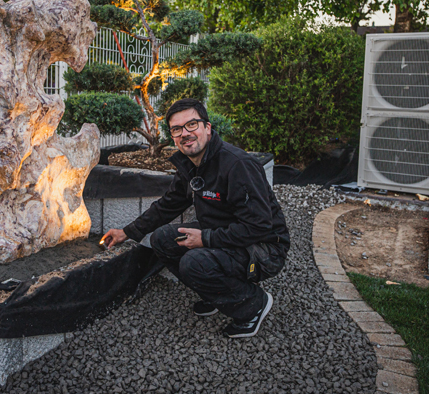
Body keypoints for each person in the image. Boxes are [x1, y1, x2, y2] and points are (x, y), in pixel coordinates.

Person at [102, 98, 290, 338]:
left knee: (194, 263)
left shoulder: (237, 165)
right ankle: (217, 294)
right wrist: (127, 232)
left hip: (265, 247)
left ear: (208, 128)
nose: (185, 133)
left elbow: (260, 226)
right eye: (177, 129)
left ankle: (253, 305)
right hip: (224, 233)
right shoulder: (191, 164)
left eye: (192, 125)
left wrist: (206, 239)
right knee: (162, 239)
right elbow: (168, 205)